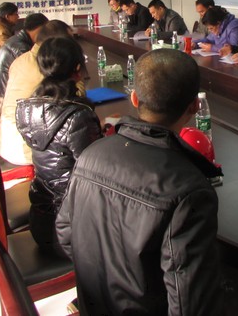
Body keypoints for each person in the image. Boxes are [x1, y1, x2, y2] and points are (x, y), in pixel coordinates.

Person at [56, 49, 223, 316]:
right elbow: (189, 304)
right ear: (194, 107)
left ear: (134, 98)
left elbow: (66, 232)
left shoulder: (91, 154)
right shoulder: (190, 189)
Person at [15, 36, 102, 254]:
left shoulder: (27, 107)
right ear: (77, 69)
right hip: (71, 230)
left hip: (41, 219)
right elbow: (97, 172)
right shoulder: (78, 115)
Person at [0, 20, 79, 165]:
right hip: (29, 149)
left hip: (8, 140)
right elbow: (76, 100)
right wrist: (77, 71)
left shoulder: (22, 59)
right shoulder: (48, 68)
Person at [0, 13, 48, 126]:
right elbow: (36, 78)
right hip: (4, 113)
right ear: (40, 29)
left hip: (2, 103)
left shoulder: (17, 40)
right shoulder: (21, 49)